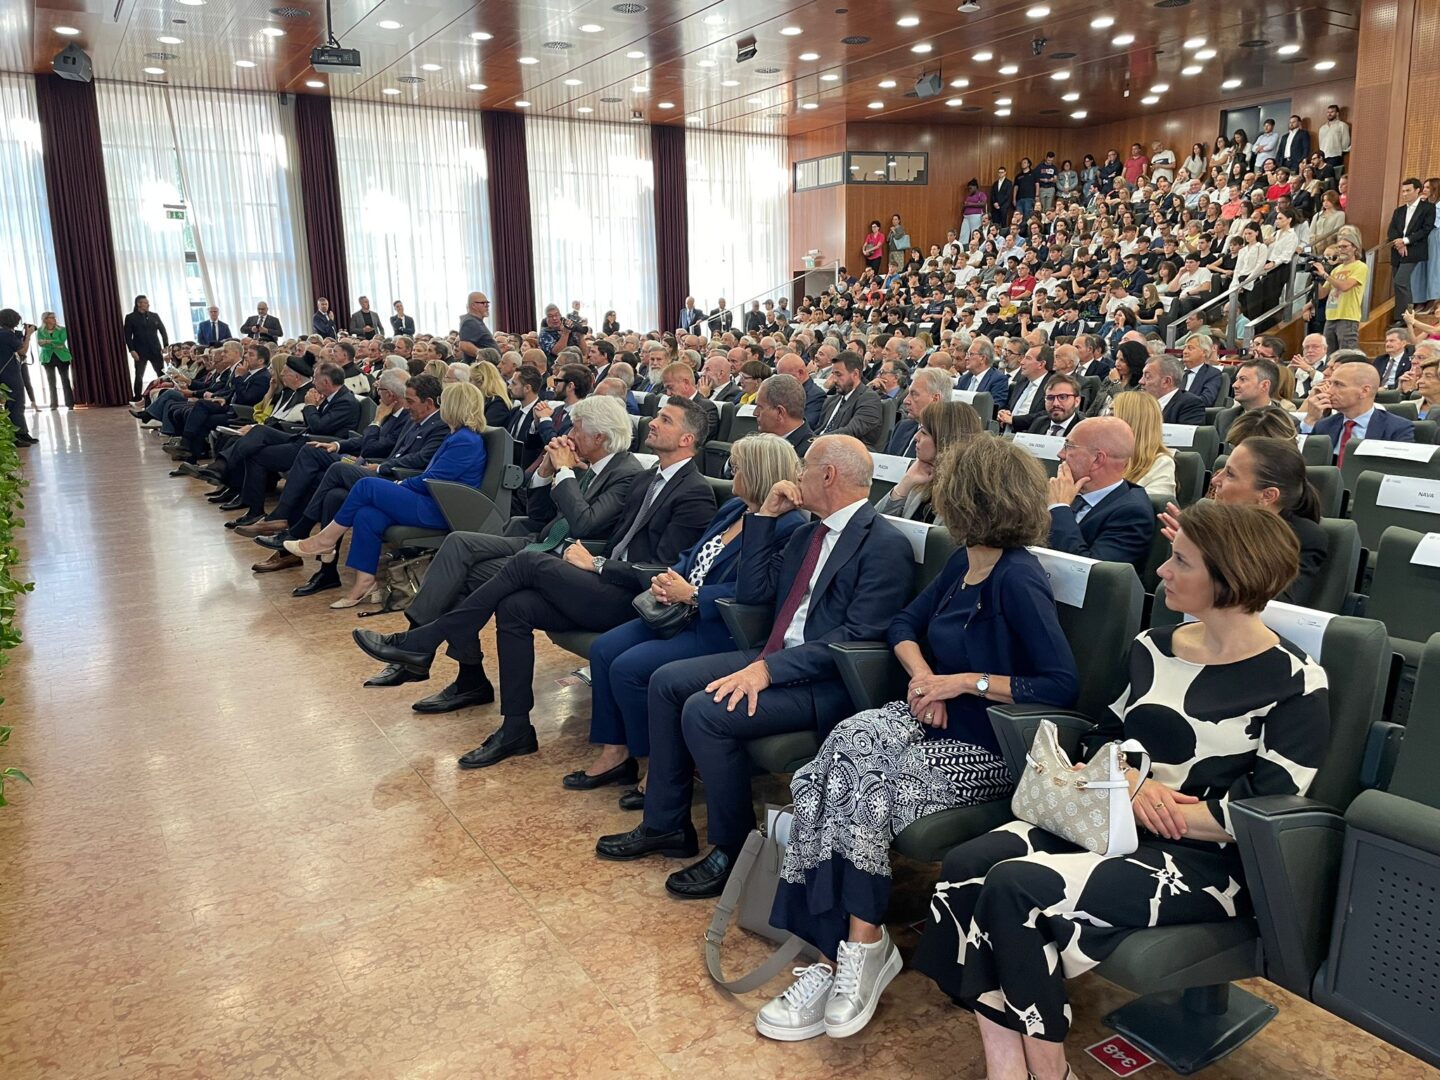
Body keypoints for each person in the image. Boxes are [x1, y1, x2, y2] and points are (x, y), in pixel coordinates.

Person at [914, 500, 1329, 1079]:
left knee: (1015, 888)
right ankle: (1006, 1067)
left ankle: (1052, 1070)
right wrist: (1133, 786)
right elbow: (1100, 739)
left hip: (1206, 856)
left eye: (1180, 562)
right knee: (965, 864)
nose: (1161, 571)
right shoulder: (1154, 646)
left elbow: (1266, 810)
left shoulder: (1298, 681)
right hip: (1110, 814)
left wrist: (1162, 812)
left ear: (1229, 577)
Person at [758, 437, 1080, 1042]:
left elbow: (1060, 684)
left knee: (868, 792)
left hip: (988, 744)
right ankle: (833, 954)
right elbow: (905, 624)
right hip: (929, 713)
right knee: (838, 753)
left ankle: (860, 945)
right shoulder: (964, 562)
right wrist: (924, 678)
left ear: (968, 498)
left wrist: (961, 683)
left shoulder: (1018, 578)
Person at [594, 436, 915, 900]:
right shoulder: (808, 532)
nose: (798, 475)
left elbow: (854, 640)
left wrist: (767, 672)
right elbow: (752, 595)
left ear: (827, 475)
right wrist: (764, 516)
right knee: (666, 682)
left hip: (825, 680)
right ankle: (665, 825)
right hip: (772, 654)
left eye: (806, 467)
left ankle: (734, 847)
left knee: (705, 712)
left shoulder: (884, 544)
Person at [352, 399, 716, 766]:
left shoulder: (692, 491)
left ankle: (420, 641)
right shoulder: (648, 476)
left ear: (686, 438)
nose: (652, 422)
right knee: (514, 607)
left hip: (631, 600)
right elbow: (574, 525)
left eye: (664, 420)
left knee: (528, 562)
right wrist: (550, 475)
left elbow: (664, 569)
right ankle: (516, 728)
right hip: (595, 578)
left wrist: (599, 564)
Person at [573, 434, 806, 803]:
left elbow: (758, 595)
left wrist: (694, 594)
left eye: (738, 468)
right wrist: (670, 578)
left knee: (629, 667)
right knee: (604, 650)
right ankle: (615, 751)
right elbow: (694, 554)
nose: (732, 474)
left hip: (722, 626)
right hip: (679, 609)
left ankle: (662, 766)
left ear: (759, 473)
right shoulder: (734, 509)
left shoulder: (789, 528)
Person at [284, 381, 489, 608]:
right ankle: (365, 583)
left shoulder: (465, 440)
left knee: (366, 486)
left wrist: (400, 484)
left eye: (445, 402)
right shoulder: (459, 436)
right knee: (367, 515)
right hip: (432, 499)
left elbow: (433, 480)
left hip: (442, 507)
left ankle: (325, 539)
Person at [1159, 436, 1328, 607]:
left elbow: (1277, 605)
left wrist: (1207, 553)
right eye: (1223, 470)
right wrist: (1189, 549)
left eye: (1230, 474)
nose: (1215, 480)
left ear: (1267, 495)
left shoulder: (1305, 538)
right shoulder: (1214, 522)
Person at [1045, 416, 1156, 570]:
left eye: (1069, 446)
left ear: (1097, 459)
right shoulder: (1065, 490)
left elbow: (1087, 573)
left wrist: (1060, 509)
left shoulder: (1132, 514)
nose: (1060, 454)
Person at [875, 401, 982, 522]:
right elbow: (875, 524)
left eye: (924, 433)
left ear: (946, 440)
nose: (916, 437)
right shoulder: (921, 472)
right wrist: (905, 484)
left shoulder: (967, 495)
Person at [1299, 357, 1416, 458]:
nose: (1329, 391)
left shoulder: (1396, 429)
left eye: (1338, 385)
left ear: (1364, 391)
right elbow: (1307, 463)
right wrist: (1310, 420)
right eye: (1331, 384)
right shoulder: (1324, 425)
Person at [1112, 390, 1177, 498]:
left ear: (1130, 421)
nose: (1103, 419)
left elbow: (1149, 507)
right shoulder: (1101, 455)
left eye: (1112, 414)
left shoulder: (1161, 464)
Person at [1389, 178, 1436, 324]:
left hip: (1414, 250)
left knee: (1401, 282)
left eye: (1408, 190)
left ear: (1417, 191)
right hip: (1398, 250)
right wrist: (1399, 243)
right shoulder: (1399, 210)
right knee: (1401, 284)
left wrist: (1406, 241)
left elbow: (1426, 229)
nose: (1404, 194)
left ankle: (1404, 317)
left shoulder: (1427, 208)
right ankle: (1404, 317)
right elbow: (1392, 230)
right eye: (1403, 191)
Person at [814, 351, 884, 443]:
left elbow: (851, 431)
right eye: (833, 374)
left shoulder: (869, 399)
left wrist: (817, 440)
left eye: (839, 374)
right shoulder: (831, 400)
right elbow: (819, 429)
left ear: (855, 374)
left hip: (848, 450)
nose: (834, 380)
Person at [1316, 228, 1367, 351]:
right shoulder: (1336, 269)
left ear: (1355, 248)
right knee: (1329, 355)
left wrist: (1325, 275)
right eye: (1339, 247)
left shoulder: (1360, 266)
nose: (1341, 250)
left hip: (1348, 317)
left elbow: (1344, 286)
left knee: (1346, 354)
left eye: (1344, 246)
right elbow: (1322, 294)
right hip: (1331, 316)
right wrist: (1316, 278)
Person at [884, 367, 952, 457]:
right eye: (908, 394)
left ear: (935, 399)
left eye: (914, 394)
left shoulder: (950, 439)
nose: (906, 401)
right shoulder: (902, 427)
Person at [0, 311, 36, 445]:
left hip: (6, 372)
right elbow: (22, 351)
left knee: (13, 403)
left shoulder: (3, 333)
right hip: (10, 373)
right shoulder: (7, 334)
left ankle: (22, 433)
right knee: (17, 403)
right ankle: (18, 436)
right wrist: (29, 336)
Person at [124, 295, 169, 401]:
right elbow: (127, 336)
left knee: (160, 373)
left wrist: (165, 345)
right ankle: (138, 397)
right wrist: (131, 350)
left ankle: (163, 393)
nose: (148, 304)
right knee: (139, 375)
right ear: (138, 304)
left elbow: (163, 331)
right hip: (140, 351)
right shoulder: (130, 317)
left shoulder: (154, 316)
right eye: (145, 302)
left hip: (155, 350)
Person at [1140, 355, 1207, 424]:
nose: (1141, 381)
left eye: (1147, 377)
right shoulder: (1139, 402)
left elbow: (1184, 433)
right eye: (1142, 376)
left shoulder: (1190, 404)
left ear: (1166, 381)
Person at [36, 312, 73, 410]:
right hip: (47, 358)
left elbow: (61, 341)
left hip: (62, 357)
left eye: (54, 317)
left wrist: (47, 341)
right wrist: (53, 343)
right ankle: (53, 405)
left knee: (65, 380)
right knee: (51, 382)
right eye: (51, 317)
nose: (54, 319)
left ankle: (70, 404)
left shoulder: (62, 329)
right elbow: (41, 344)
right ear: (45, 319)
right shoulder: (40, 331)